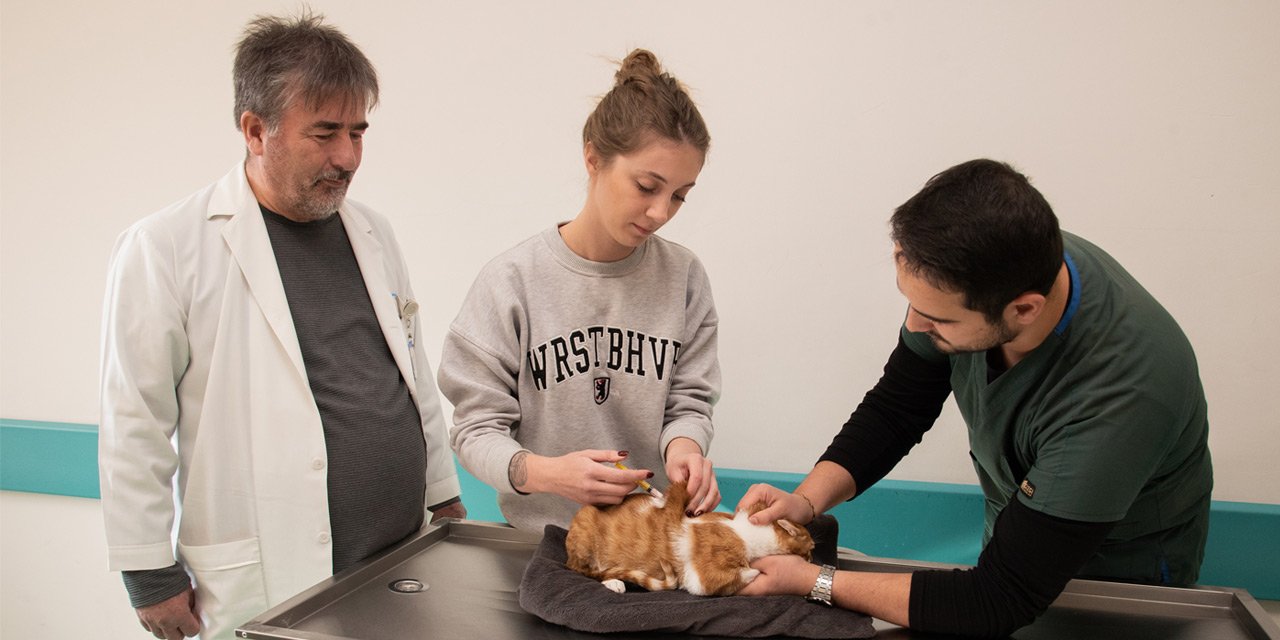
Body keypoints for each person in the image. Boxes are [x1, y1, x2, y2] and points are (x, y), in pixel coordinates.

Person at [98, 12, 465, 640]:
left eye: (357, 132)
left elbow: (409, 377)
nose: (347, 157)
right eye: (324, 134)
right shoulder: (166, 248)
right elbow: (134, 419)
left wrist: (442, 493)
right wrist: (147, 573)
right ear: (254, 130)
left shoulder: (374, 234)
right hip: (276, 572)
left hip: (398, 559)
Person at [737, 159, 1212, 637]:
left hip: (1114, 584)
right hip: (1013, 544)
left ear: (1024, 310)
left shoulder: (1121, 397)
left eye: (938, 320)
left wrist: (812, 581)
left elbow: (998, 599)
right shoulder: (997, 265)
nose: (918, 327)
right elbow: (898, 405)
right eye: (914, 306)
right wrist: (804, 502)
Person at [438, 49, 722, 532]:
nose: (661, 212)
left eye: (679, 195)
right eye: (646, 186)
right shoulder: (511, 282)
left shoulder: (685, 277)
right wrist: (549, 474)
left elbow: (689, 403)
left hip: (648, 547)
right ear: (593, 157)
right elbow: (475, 431)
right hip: (541, 546)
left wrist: (686, 451)